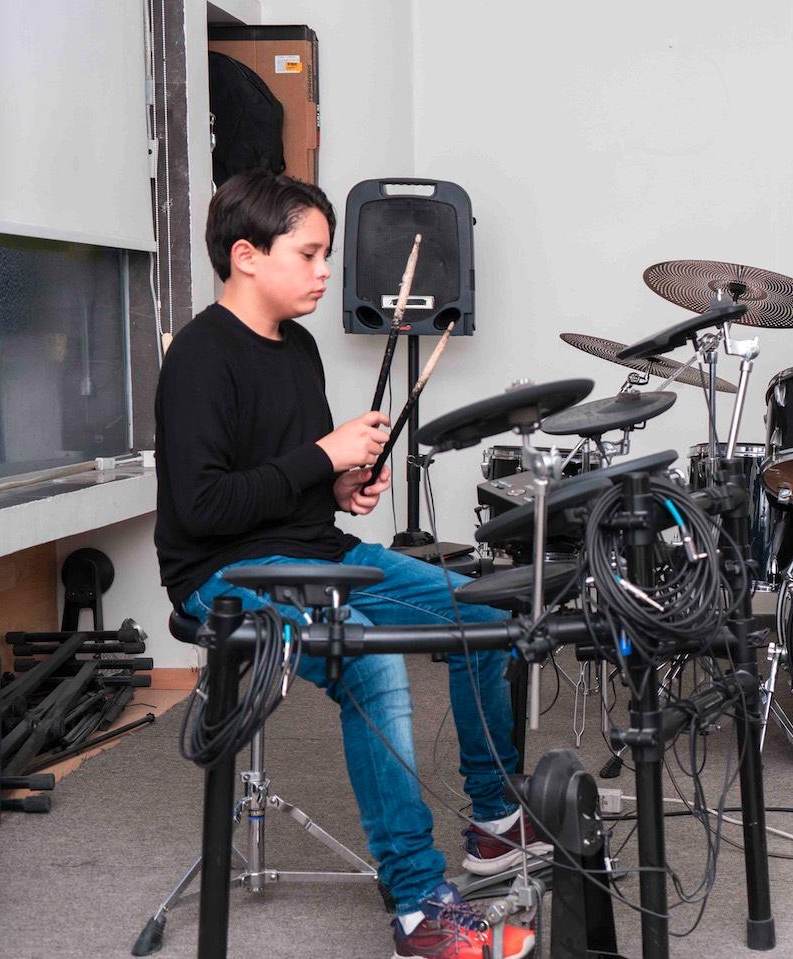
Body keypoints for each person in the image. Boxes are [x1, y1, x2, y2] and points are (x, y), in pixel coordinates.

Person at [154, 171, 545, 959]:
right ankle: (419, 908)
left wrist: (337, 485)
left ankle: (496, 823)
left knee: (484, 611)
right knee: (369, 658)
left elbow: (285, 482)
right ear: (246, 256)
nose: (325, 271)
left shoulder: (298, 347)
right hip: (225, 572)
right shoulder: (199, 357)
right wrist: (320, 456)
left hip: (315, 551)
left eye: (326, 253)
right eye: (309, 253)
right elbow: (203, 509)